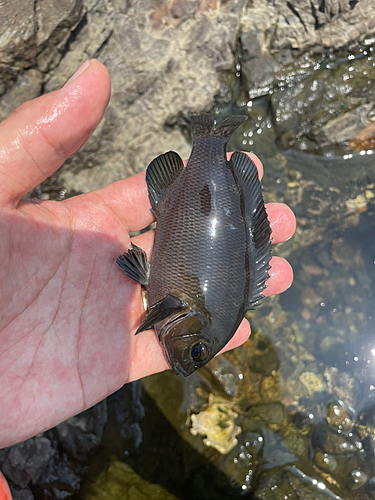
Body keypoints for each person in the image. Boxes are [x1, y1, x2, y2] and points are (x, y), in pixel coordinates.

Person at [0, 60, 296, 449]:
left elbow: (149, 277)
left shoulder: (178, 311)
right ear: (196, 322)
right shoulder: (177, 309)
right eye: (196, 351)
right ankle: (209, 137)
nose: (184, 363)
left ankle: (209, 136)